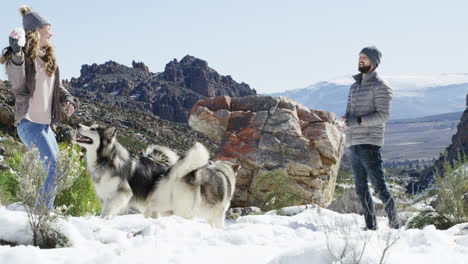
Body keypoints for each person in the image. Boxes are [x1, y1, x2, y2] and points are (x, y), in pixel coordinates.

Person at [0, 6, 76, 209]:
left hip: (45, 126)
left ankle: (37, 211)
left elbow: (56, 86)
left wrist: (67, 99)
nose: (51, 32)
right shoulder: (23, 57)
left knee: (57, 170)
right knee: (53, 169)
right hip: (29, 124)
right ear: (37, 30)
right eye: (48, 27)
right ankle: (42, 214)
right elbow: (18, 86)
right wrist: (16, 53)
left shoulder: (48, 57)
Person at [341, 46, 400, 230]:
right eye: (359, 56)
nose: (360, 59)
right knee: (361, 189)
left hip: (369, 143)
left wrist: (356, 121)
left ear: (373, 62)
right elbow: (349, 113)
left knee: (379, 187)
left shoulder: (381, 86)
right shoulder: (354, 86)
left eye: (364, 57)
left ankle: (395, 225)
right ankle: (371, 226)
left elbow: (383, 116)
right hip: (353, 143)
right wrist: (346, 121)